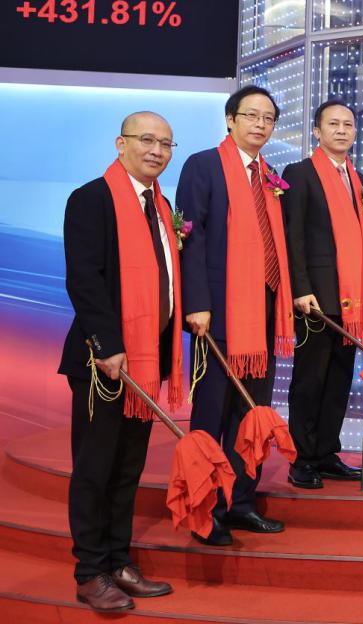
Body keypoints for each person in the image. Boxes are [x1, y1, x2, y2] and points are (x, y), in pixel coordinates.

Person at [59, 112, 179, 610]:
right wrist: (107, 344)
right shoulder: (92, 198)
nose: (156, 151)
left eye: (166, 143)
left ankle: (117, 560)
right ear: (120, 143)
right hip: (103, 363)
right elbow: (83, 279)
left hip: (147, 362)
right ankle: (90, 572)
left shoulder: (161, 205)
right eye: (146, 140)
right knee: (95, 468)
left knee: (128, 467)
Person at [178, 86, 295, 545]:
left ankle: (241, 501)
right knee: (212, 414)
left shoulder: (270, 176)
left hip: (263, 315)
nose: (260, 124)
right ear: (230, 119)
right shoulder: (204, 165)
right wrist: (196, 302)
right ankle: (204, 510)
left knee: (252, 414)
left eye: (268, 118)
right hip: (218, 312)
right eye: (251, 115)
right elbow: (191, 238)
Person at [281, 99, 363, 488]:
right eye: (333, 124)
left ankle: (325, 453)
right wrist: (301, 288)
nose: (341, 130)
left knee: (339, 379)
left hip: (353, 299)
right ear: (317, 131)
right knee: (310, 380)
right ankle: (302, 458)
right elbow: (293, 238)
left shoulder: (361, 180)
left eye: (348, 125)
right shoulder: (300, 173)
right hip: (317, 299)